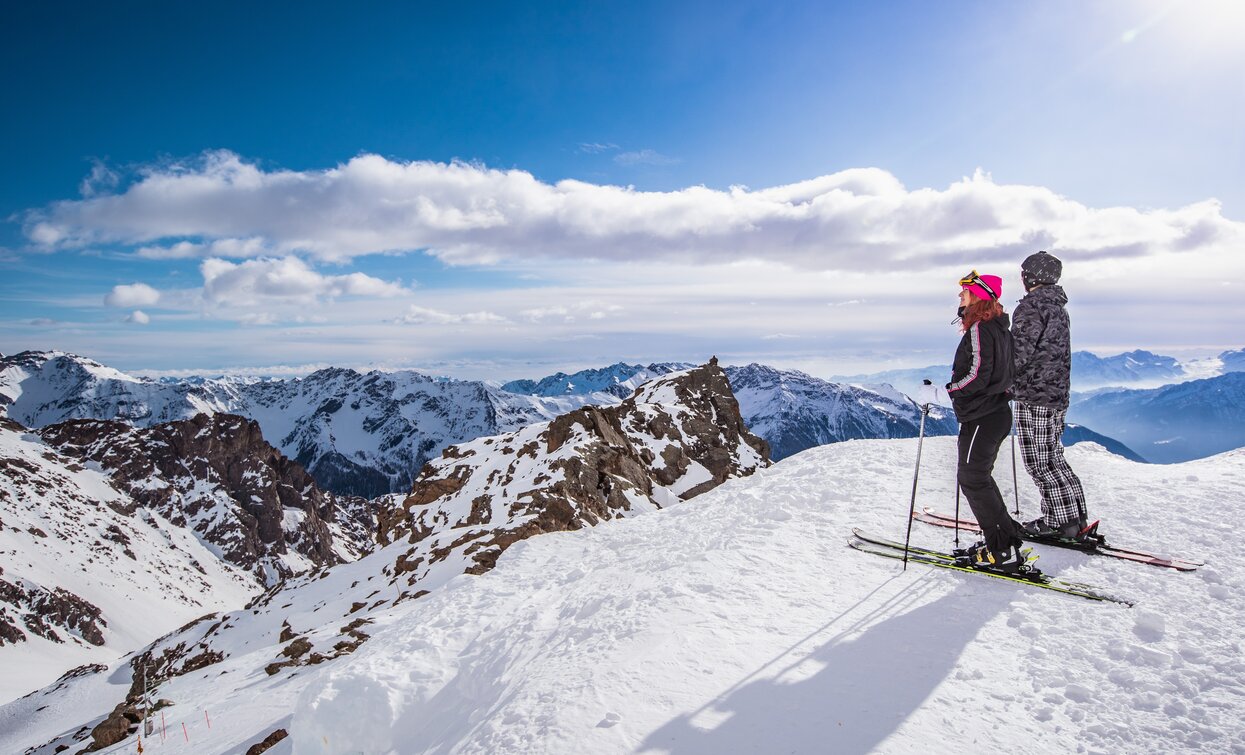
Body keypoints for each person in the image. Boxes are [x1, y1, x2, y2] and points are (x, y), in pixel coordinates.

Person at [945, 271, 1028, 572]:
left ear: (978, 294)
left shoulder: (981, 328)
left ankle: (1002, 550)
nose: (960, 296)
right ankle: (1004, 537)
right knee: (979, 477)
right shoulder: (998, 327)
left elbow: (978, 373)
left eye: (964, 291)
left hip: (982, 416)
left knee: (973, 479)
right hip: (993, 414)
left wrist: (950, 390)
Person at [1011, 250, 1089, 539]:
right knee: (1054, 457)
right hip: (1057, 394)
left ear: (1030, 276)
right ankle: (1075, 516)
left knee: (1038, 462)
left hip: (1033, 395)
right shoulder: (1058, 306)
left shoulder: (1031, 307)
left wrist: (1003, 383)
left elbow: (1018, 353)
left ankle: (1059, 523)